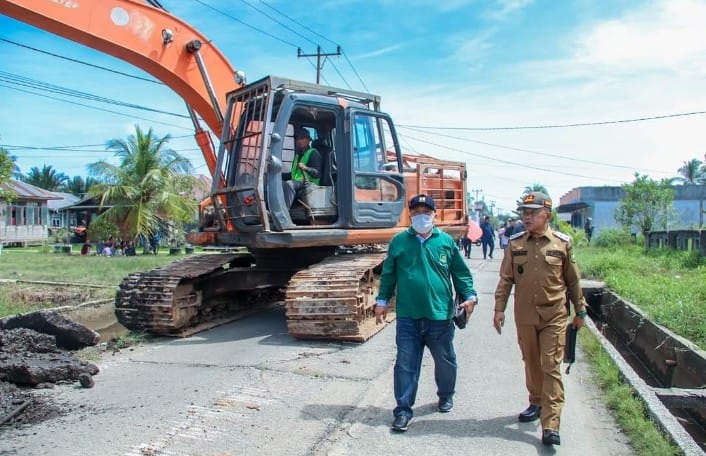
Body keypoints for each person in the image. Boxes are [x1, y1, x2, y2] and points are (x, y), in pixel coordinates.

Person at [375, 194, 478, 432]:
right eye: (417, 211)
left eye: (426, 211)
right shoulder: (399, 241)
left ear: (434, 214)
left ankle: (445, 394)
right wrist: (382, 301)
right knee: (405, 364)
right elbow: (389, 274)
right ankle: (402, 410)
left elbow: (460, 273)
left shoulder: (445, 242)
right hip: (408, 317)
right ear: (410, 214)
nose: (422, 215)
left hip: (439, 317)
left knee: (445, 361)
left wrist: (470, 297)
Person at [492, 191, 587, 447]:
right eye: (524, 212)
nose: (527, 217)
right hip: (524, 315)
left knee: (550, 366)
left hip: (554, 315)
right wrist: (498, 308)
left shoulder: (561, 244)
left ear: (548, 215)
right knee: (531, 362)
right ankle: (535, 402)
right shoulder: (515, 243)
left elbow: (574, 281)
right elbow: (506, 280)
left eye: (533, 212)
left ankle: (551, 425)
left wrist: (580, 311)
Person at [282, 127, 322, 208]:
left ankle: (285, 211)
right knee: (278, 183)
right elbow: (294, 174)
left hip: (310, 184)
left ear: (308, 140)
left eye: (302, 138)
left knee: (289, 184)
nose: (299, 141)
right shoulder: (298, 155)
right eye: (298, 139)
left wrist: (305, 168)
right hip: (299, 182)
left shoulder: (314, 153)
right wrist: (279, 175)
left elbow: (317, 174)